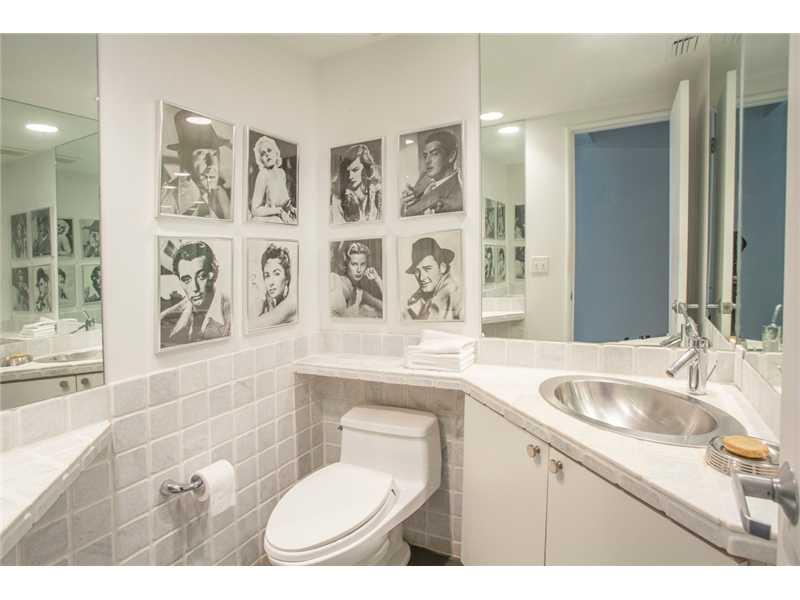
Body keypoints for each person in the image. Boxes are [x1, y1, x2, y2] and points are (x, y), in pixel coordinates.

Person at [161, 110, 232, 219]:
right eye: (200, 153)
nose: (211, 164)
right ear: (184, 158)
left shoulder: (227, 195)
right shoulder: (169, 200)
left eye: (214, 154)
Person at [160, 241, 231, 345]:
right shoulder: (164, 319)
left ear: (213, 274)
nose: (194, 288)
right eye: (186, 280)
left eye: (201, 276)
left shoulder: (234, 314)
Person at [401, 129, 462, 217]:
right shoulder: (424, 177)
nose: (427, 161)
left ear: (451, 156)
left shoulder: (456, 195)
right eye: (425, 156)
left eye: (434, 154)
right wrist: (407, 201)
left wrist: (412, 205)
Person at [404, 237, 462, 321]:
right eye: (417, 271)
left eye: (427, 269)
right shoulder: (416, 301)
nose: (421, 277)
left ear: (442, 268)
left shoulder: (458, 298)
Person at [329, 242, 383, 318]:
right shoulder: (334, 280)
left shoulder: (360, 293)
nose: (358, 270)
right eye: (354, 264)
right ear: (346, 264)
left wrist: (377, 279)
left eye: (362, 264)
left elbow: (388, 307)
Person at [249, 136, 296, 224]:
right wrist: (278, 211)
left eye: (269, 150)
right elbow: (254, 210)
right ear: (261, 160)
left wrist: (290, 208)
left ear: (276, 153)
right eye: (263, 154)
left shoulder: (281, 173)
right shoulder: (263, 174)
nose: (267, 154)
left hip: (283, 215)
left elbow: (283, 201)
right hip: (270, 219)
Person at [331, 144, 381, 223]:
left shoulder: (377, 194)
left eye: (355, 170)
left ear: (366, 170)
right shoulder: (338, 199)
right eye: (347, 172)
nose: (350, 176)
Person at [252, 243, 296, 326]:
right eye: (267, 275)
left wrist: (261, 296)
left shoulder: (291, 303)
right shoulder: (271, 303)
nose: (271, 283)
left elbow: (254, 325)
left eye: (276, 274)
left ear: (286, 278)